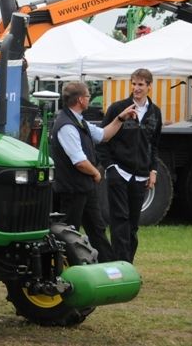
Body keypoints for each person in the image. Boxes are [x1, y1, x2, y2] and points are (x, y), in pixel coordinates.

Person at [50, 82, 136, 263]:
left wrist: (120, 118)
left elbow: (103, 135)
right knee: (69, 233)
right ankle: (66, 269)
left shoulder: (79, 121)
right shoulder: (67, 126)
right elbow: (79, 161)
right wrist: (96, 173)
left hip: (85, 188)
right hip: (72, 190)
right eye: (88, 96)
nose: (89, 99)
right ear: (81, 100)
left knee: (97, 230)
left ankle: (108, 267)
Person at [98, 69, 162, 263]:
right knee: (120, 221)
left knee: (133, 225)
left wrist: (153, 170)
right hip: (119, 173)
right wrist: (110, 168)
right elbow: (102, 140)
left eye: (141, 84)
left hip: (141, 176)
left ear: (149, 86)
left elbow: (154, 145)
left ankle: (128, 264)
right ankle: (121, 266)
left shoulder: (155, 112)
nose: (136, 88)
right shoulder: (118, 108)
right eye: (134, 84)